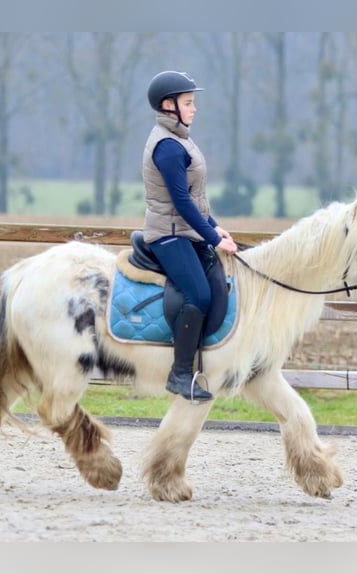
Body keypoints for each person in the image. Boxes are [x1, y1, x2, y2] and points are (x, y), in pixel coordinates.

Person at [142, 70, 238, 402]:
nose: (194, 108)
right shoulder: (167, 146)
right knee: (197, 294)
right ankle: (180, 374)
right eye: (188, 102)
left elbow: (194, 195)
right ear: (169, 106)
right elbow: (180, 202)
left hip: (185, 229)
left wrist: (215, 224)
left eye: (193, 102)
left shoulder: (181, 139)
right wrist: (212, 237)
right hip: (167, 233)